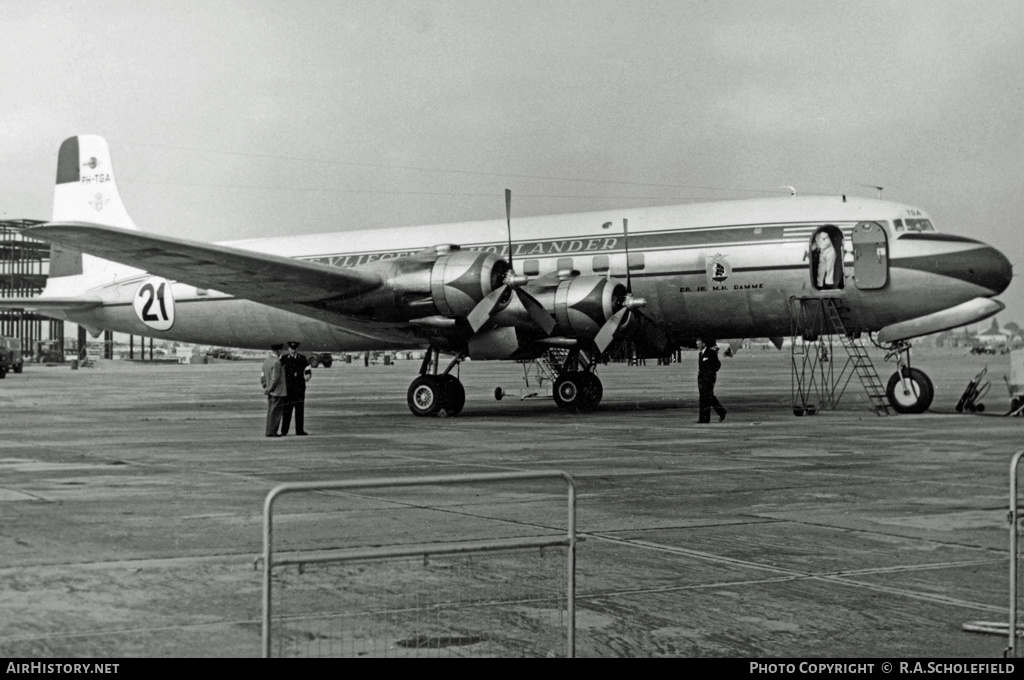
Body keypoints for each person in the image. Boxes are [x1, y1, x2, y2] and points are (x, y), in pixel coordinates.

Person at [280, 341, 311, 435]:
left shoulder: (302, 358)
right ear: (289, 349)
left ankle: (299, 430)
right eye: (291, 349)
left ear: (297, 349)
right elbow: (280, 371)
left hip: (299, 388)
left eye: (295, 349)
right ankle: (284, 431)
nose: (293, 350)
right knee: (287, 411)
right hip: (289, 388)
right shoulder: (284, 359)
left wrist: (308, 375)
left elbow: (307, 368)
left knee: (299, 410)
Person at [696, 338, 727, 423]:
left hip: (709, 378)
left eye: (698, 344)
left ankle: (705, 419)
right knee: (704, 398)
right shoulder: (700, 354)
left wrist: (710, 374)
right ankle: (705, 418)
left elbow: (717, 365)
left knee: (707, 397)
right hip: (701, 379)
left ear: (703, 344)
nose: (697, 345)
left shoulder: (711, 353)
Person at [261, 343, 287, 437]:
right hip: (277, 391)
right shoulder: (276, 362)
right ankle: (272, 431)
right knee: (276, 413)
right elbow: (275, 378)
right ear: (279, 351)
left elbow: (262, 376)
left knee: (270, 411)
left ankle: (269, 431)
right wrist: (271, 388)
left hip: (270, 391)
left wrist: (266, 387)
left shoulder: (266, 361)